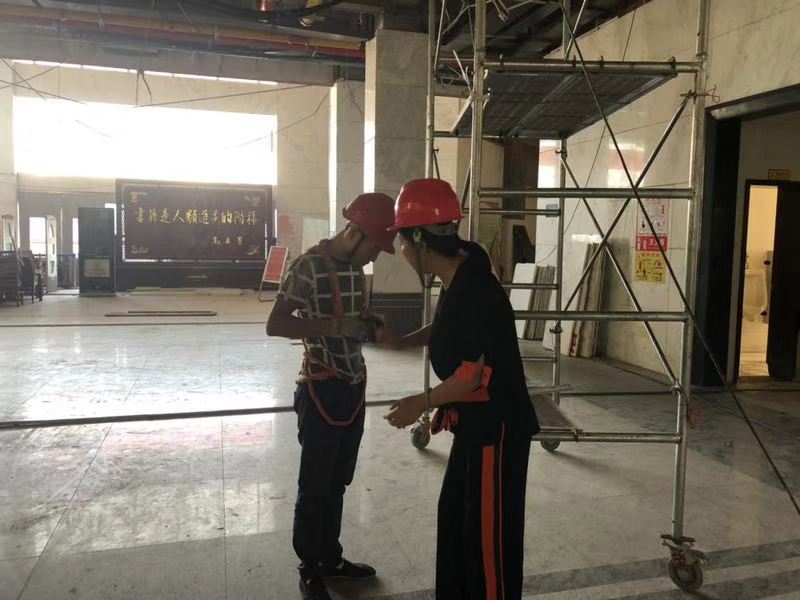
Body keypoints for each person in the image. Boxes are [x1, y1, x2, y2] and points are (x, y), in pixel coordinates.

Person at [385, 178, 540, 600]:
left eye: (402, 240)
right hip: (474, 426)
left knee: (489, 538)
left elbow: (471, 374)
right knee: (456, 518)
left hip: (496, 429)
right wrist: (402, 341)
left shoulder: (474, 288)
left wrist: (420, 402)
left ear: (420, 240)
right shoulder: (459, 270)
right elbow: (448, 329)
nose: (400, 251)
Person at [266, 193, 398, 600]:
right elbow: (276, 324)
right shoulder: (308, 267)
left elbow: (354, 318)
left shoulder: (356, 270)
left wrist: (370, 324)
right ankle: (310, 566)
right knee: (315, 486)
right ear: (354, 232)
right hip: (321, 388)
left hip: (352, 386)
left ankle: (330, 558)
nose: (375, 256)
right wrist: (334, 327)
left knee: (338, 480)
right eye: (374, 246)